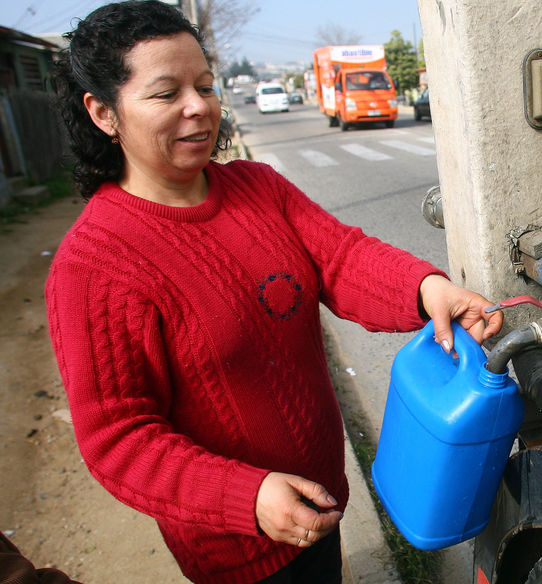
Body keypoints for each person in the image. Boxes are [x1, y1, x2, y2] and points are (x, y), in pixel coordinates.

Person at [46, 2, 503, 583]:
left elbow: (339, 256)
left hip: (323, 503)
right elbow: (118, 437)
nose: (198, 107)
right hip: (238, 549)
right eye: (166, 94)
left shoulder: (257, 187)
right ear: (103, 113)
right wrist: (247, 496)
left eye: (206, 86)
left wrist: (425, 287)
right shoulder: (95, 264)